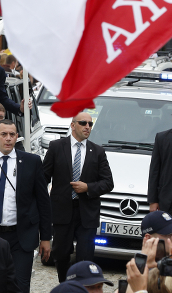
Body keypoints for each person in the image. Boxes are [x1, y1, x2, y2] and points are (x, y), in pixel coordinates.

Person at [0, 119, 52, 293]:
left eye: (12, 135)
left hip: (21, 237)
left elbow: (44, 202)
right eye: (4, 134)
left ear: (17, 137)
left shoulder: (32, 162)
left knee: (20, 287)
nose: (8, 138)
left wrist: (45, 237)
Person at [42, 112, 114, 283]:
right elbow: (43, 177)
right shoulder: (56, 147)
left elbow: (108, 183)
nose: (87, 127)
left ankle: (82, 286)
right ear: (73, 125)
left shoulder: (97, 151)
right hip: (62, 211)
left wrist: (88, 187)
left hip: (87, 213)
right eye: (83, 123)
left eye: (90, 124)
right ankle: (65, 285)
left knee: (85, 255)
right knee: (61, 253)